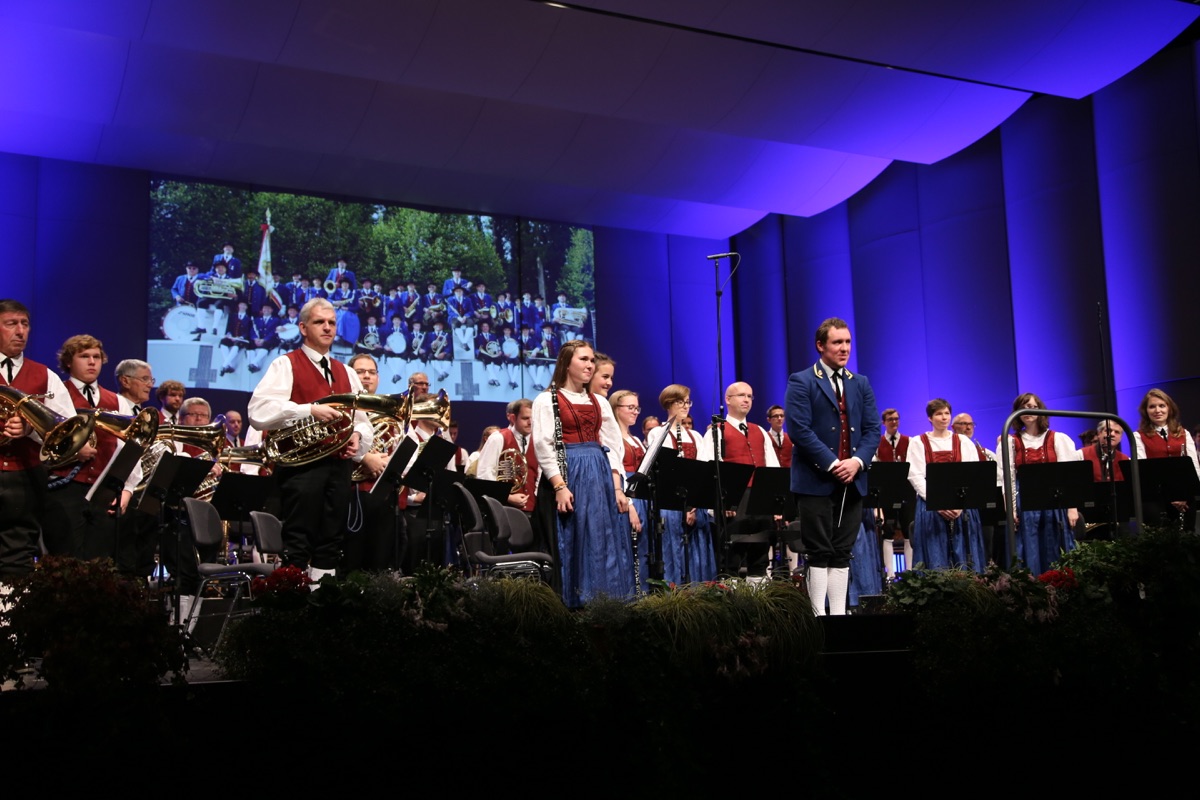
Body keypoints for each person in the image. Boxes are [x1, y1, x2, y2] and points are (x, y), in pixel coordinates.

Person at [248, 298, 372, 582]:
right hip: (301, 468)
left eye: (331, 323)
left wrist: (357, 436)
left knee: (331, 541)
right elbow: (259, 411)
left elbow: (363, 421)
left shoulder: (347, 372)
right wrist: (308, 410)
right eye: (319, 322)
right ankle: (293, 599)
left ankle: (321, 598)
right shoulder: (285, 364)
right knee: (298, 541)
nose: (327, 328)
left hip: (339, 467)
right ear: (303, 328)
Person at [786, 317, 880, 616]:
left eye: (847, 342)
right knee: (818, 551)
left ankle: (838, 616)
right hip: (815, 480)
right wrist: (833, 463)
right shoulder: (802, 380)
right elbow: (799, 429)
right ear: (820, 345)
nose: (844, 348)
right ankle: (817, 617)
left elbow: (872, 430)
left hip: (853, 479)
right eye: (837, 342)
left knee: (842, 551)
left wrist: (857, 461)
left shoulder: (860, 382)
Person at [532, 340, 633, 606]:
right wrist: (559, 486)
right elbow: (544, 445)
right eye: (583, 360)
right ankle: (574, 604)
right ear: (566, 363)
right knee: (572, 540)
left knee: (601, 539)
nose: (590, 365)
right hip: (569, 474)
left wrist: (617, 488)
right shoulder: (547, 399)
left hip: (599, 475)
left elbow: (612, 446)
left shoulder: (599, 401)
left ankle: (604, 604)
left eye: (591, 360)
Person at [0, 299, 75, 579]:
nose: (20, 331)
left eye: (25, 324)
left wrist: (30, 429)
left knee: (18, 555)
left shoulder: (46, 376)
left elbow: (66, 429)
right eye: (11, 324)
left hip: (25, 477)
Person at [45, 334, 124, 559]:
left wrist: (126, 489)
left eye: (96, 357)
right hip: (64, 487)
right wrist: (72, 451)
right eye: (84, 356)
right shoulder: (55, 394)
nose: (92, 362)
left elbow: (125, 447)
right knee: (65, 558)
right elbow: (43, 439)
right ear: (68, 362)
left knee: (100, 560)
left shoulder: (117, 400)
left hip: (103, 489)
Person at [643, 384, 716, 585]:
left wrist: (693, 505)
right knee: (673, 550)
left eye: (687, 402)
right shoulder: (658, 433)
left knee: (696, 553)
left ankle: (699, 592)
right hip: (671, 504)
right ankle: (674, 592)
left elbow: (702, 470)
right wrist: (682, 505)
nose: (685, 406)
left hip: (695, 504)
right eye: (680, 402)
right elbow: (667, 470)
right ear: (669, 403)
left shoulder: (696, 436)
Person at [905, 399, 986, 572]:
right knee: (936, 555)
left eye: (947, 413)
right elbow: (915, 475)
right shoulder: (918, 442)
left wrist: (960, 505)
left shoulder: (963, 441)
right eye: (939, 414)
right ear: (930, 418)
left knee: (965, 555)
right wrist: (938, 502)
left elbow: (972, 473)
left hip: (962, 506)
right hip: (931, 507)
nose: (944, 417)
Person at [1006, 392, 1079, 575]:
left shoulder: (1058, 438)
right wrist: (1011, 509)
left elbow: (1068, 474)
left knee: (1054, 545)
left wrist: (1072, 507)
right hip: (1025, 501)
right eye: (1024, 407)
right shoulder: (1011, 442)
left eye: (1033, 407)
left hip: (1053, 500)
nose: (1028, 411)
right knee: (1029, 547)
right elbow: (1008, 478)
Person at [343, 354, 399, 573]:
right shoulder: (342, 407)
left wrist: (388, 460)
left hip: (383, 496)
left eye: (372, 372)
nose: (367, 376)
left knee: (381, 564)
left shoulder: (389, 413)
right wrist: (365, 457)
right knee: (352, 561)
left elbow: (397, 447)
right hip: (351, 494)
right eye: (360, 372)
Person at [1133, 388, 1200, 529]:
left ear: (1169, 408)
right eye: (1152, 406)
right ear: (1146, 411)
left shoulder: (1184, 433)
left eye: (1162, 406)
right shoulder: (1138, 436)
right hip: (1156, 500)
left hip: (1185, 498)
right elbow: (1144, 471)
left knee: (1187, 537)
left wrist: (1185, 494)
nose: (1157, 410)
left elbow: (1194, 467)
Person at [477, 398, 538, 514]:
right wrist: (507, 497)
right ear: (513, 418)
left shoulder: (537, 440)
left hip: (533, 509)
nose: (530, 422)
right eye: (525, 418)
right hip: (503, 509)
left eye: (533, 418)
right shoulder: (498, 438)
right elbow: (484, 475)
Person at [609, 391, 646, 586]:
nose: (635, 412)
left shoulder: (636, 439)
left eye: (637, 408)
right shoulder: (613, 438)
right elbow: (617, 472)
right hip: (627, 494)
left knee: (644, 548)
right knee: (629, 547)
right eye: (630, 407)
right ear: (616, 409)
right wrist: (631, 505)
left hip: (642, 495)